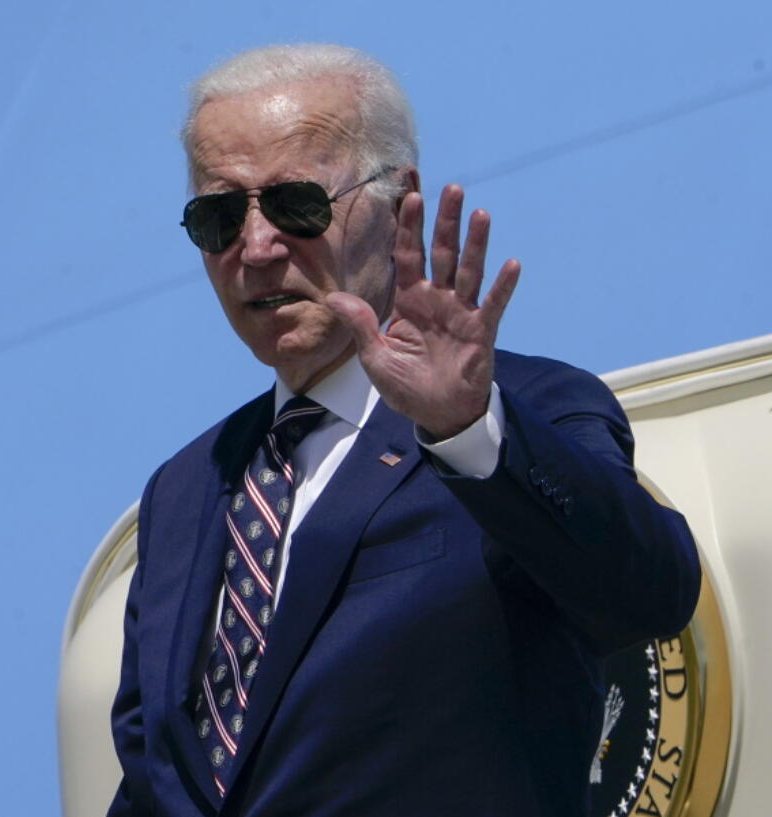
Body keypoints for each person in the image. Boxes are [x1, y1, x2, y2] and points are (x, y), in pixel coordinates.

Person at [107, 43, 700, 817]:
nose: (255, 248)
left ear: (398, 201)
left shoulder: (523, 411)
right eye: (220, 216)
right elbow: (155, 777)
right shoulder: (187, 488)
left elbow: (646, 593)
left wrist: (464, 428)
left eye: (295, 204)